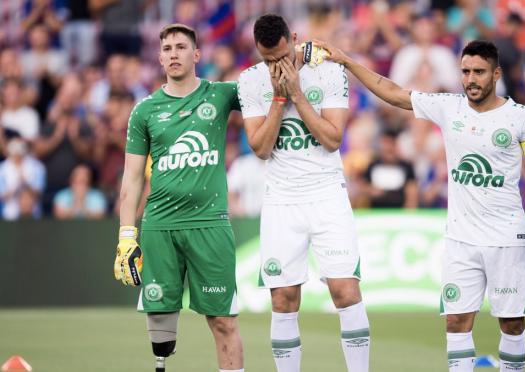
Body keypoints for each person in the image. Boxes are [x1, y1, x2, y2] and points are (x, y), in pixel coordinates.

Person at [316, 38, 525, 372]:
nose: (471, 79)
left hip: (505, 237)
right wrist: (347, 61)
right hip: (460, 239)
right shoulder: (449, 107)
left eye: (480, 72)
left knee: (512, 324)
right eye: (466, 71)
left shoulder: (519, 117)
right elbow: (393, 91)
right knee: (456, 321)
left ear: (496, 74)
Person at [237, 14, 370, 372]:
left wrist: (297, 95)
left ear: (293, 39)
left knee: (345, 291)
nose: (276, 65)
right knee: (282, 297)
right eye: (268, 60)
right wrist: (279, 102)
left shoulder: (327, 72)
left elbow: (331, 139)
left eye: (281, 56)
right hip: (282, 200)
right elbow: (261, 149)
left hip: (327, 194)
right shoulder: (250, 81)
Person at [114, 24, 244, 372]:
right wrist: (127, 235)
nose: (173, 53)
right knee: (160, 329)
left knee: (223, 321)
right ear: (159, 58)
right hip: (160, 228)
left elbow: (267, 87)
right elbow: (131, 178)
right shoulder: (144, 111)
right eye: (167, 48)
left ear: (196, 55)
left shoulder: (222, 94)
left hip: (209, 225)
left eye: (181, 47)